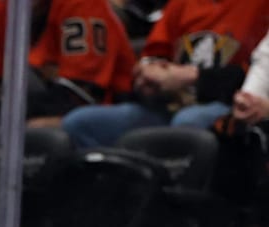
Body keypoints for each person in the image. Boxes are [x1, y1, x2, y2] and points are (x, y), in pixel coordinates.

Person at [62, 0, 269, 148]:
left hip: (225, 105)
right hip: (169, 105)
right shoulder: (181, 4)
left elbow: (255, 77)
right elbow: (154, 55)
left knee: (188, 121)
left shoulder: (259, 7)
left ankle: (179, 206)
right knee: (81, 123)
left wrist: (194, 77)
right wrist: (148, 74)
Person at [0, 0, 135, 146]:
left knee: (36, 131)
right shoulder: (3, 8)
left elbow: (78, 98)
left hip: (105, 107)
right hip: (32, 104)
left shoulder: (83, 5)